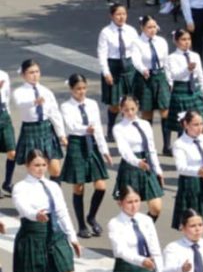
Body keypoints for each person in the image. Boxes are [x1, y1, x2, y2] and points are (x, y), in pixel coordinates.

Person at [13, 150, 82, 272]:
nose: (40, 168)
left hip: (56, 233)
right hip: (33, 233)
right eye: (36, 165)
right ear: (27, 166)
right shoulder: (21, 187)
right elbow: (22, 207)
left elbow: (62, 211)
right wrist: (36, 215)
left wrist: (72, 237)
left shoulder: (53, 186)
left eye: (43, 164)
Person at [59, 74, 112, 240]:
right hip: (76, 143)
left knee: (101, 186)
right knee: (79, 186)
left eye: (83, 88)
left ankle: (92, 216)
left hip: (92, 142)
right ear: (71, 90)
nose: (81, 92)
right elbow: (72, 126)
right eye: (77, 89)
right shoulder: (66, 106)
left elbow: (97, 128)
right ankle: (81, 224)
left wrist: (104, 151)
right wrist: (85, 130)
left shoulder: (92, 104)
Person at [5, 60, 66, 190]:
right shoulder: (19, 92)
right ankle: (36, 200)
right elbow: (20, 104)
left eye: (37, 72)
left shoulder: (46, 91)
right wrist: (34, 102)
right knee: (36, 171)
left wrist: (61, 135)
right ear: (23, 75)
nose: (35, 75)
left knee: (55, 170)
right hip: (30, 130)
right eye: (31, 72)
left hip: (46, 129)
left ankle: (54, 198)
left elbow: (54, 113)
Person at [112, 96, 164, 222]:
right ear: (121, 109)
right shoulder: (118, 128)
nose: (130, 112)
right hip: (131, 167)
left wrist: (158, 169)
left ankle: (144, 229)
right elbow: (124, 151)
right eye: (126, 109)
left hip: (147, 164)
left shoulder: (145, 124)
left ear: (137, 107)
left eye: (132, 109)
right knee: (131, 208)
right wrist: (137, 162)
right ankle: (131, 233)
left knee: (156, 207)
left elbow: (151, 148)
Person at [131, 15, 173, 156]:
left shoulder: (161, 41)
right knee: (147, 112)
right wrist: (143, 69)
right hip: (145, 78)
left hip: (160, 77)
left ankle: (166, 145)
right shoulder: (137, 42)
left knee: (165, 110)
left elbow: (166, 61)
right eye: (149, 27)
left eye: (154, 27)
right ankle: (148, 144)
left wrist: (170, 80)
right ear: (142, 28)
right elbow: (136, 60)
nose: (152, 30)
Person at [97, 3, 140, 138]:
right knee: (115, 103)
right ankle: (110, 129)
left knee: (130, 101)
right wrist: (106, 72)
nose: (121, 17)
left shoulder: (131, 31)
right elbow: (102, 53)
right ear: (111, 16)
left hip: (129, 66)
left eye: (124, 14)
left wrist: (140, 68)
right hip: (113, 66)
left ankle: (128, 128)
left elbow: (137, 51)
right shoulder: (106, 32)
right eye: (118, 14)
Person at [165, 29, 203, 142]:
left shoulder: (195, 55)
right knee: (183, 125)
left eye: (189, 39)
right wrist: (187, 69)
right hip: (181, 90)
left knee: (200, 122)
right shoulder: (172, 58)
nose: (187, 42)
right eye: (183, 39)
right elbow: (175, 76)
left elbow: (200, 76)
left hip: (195, 90)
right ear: (176, 41)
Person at [0, 68, 16, 188]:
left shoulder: (3, 75)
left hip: (4, 115)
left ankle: (7, 183)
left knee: (12, 152)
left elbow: (7, 96)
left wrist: (8, 115)